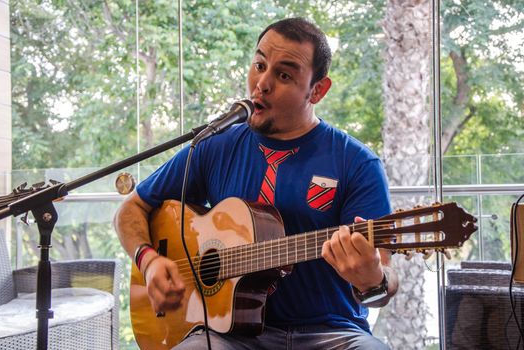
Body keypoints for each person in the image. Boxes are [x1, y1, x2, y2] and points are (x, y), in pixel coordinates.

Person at [114, 17, 398, 350]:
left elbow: (385, 283)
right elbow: (132, 208)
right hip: (226, 335)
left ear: (317, 90)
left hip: (331, 333)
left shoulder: (356, 162)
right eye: (259, 65)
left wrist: (372, 281)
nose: (262, 83)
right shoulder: (213, 146)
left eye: (284, 75)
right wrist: (148, 261)